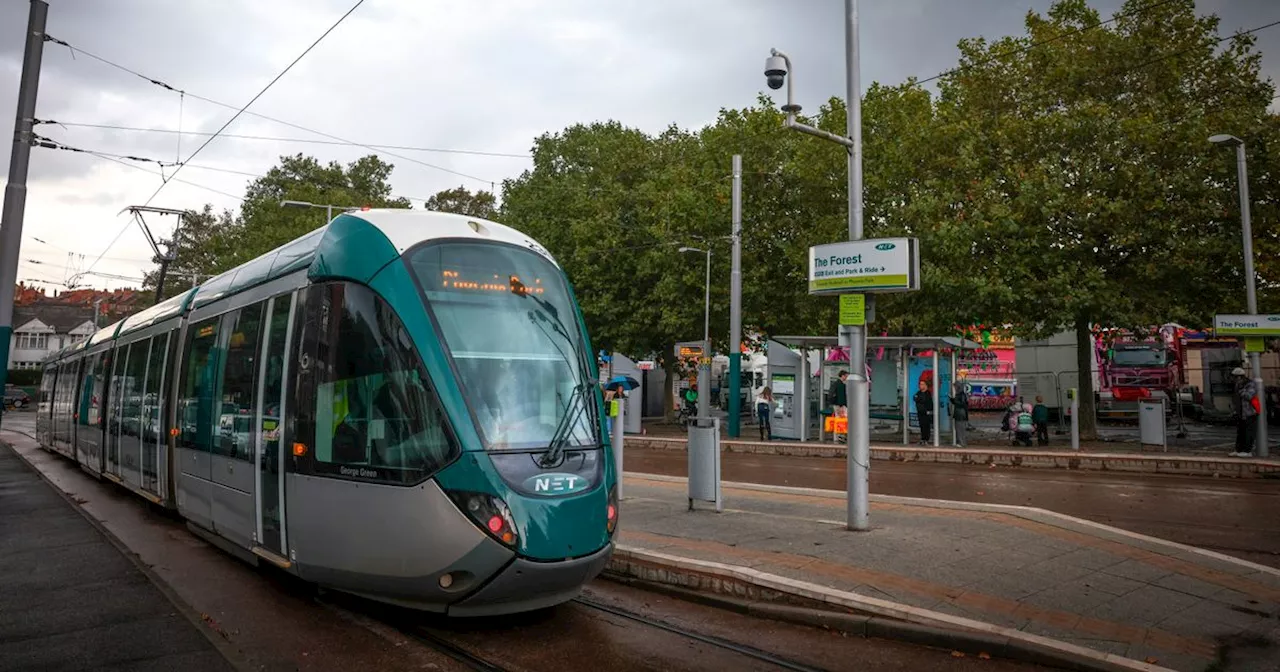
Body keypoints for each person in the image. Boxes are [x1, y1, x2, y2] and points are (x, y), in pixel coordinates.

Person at [1232, 367, 1259, 456]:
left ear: (1240, 377)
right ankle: (1238, 450)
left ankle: (1247, 451)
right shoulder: (1237, 385)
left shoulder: (1250, 384)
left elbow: (1249, 396)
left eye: (1235, 377)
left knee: (1248, 432)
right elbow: (1236, 399)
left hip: (1249, 412)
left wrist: (1241, 390)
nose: (1234, 380)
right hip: (1240, 413)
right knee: (1240, 432)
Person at [914, 379, 933, 445]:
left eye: (922, 384)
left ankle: (926, 439)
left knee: (926, 426)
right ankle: (922, 438)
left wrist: (919, 399)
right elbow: (915, 398)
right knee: (921, 425)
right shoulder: (918, 392)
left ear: (925, 385)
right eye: (920, 384)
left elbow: (926, 401)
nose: (920, 386)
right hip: (920, 412)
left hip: (926, 413)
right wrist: (919, 399)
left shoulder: (928, 393)